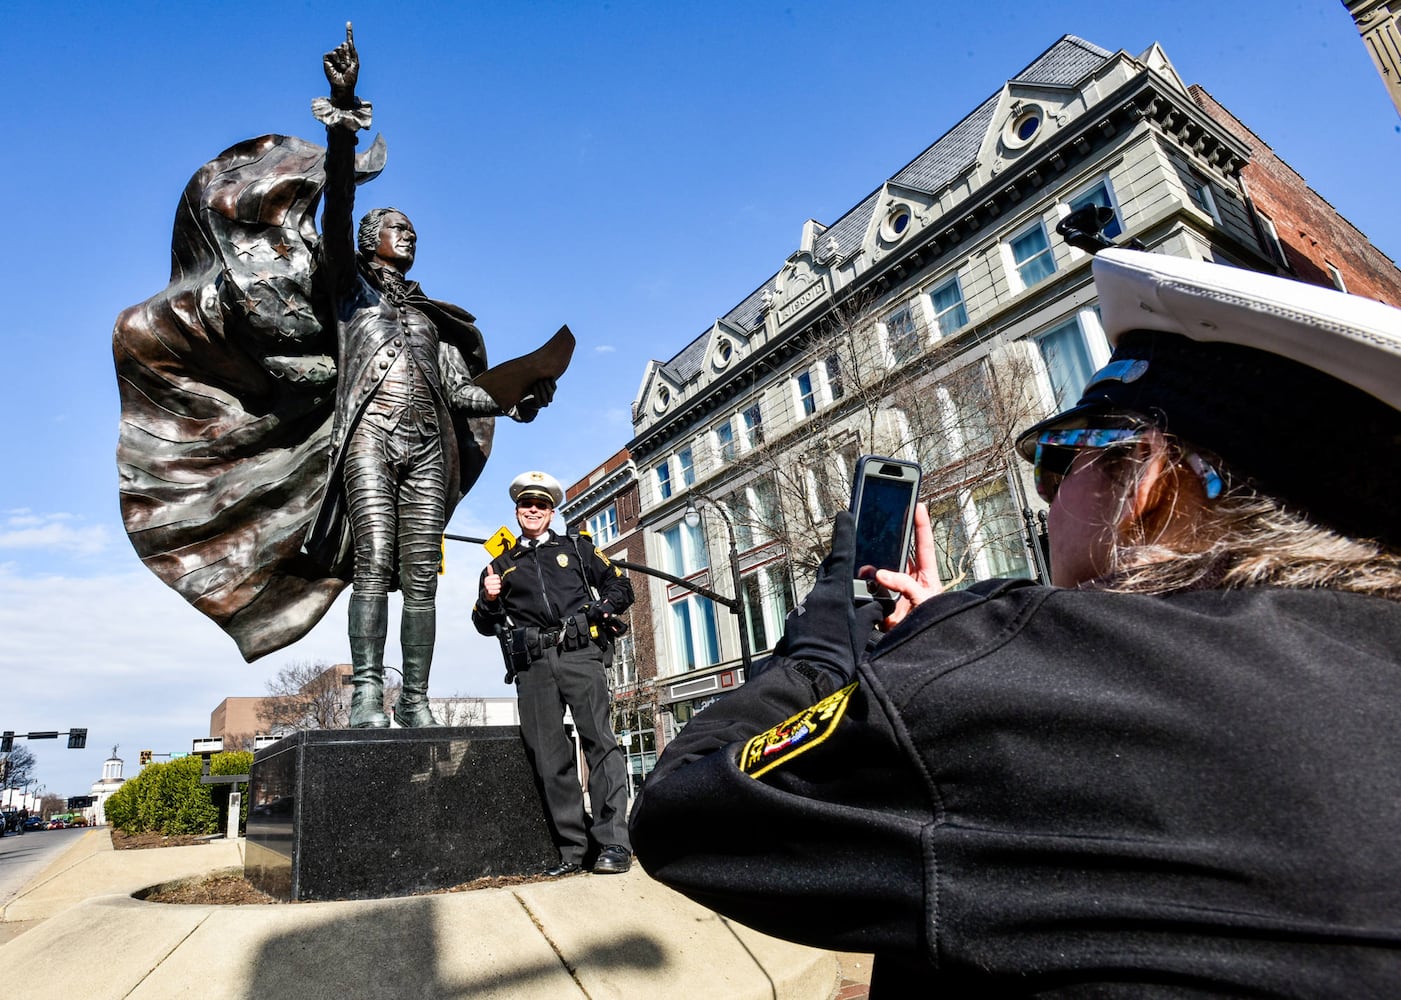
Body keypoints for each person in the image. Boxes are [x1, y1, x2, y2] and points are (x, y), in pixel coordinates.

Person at [629, 248, 1401, 995]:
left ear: (1147, 479)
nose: (1044, 494)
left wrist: (823, 650)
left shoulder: (1018, 662)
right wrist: (946, 647)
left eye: (1061, 455)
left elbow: (680, 813)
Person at [311, 26, 555, 728]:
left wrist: (517, 399)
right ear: (368, 241)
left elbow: (461, 393)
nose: (407, 233)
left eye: (413, 227)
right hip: (370, 437)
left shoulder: (430, 318)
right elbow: (335, 209)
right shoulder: (349, 291)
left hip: (427, 448)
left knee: (420, 576)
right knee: (374, 561)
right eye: (395, 225)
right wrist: (343, 114)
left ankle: (413, 700)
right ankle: (365, 694)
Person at [473, 471, 636, 876]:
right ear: (517, 511)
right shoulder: (500, 565)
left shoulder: (578, 549)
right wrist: (488, 599)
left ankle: (614, 842)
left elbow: (621, 587)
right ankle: (574, 850)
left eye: (541, 505)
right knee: (549, 758)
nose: (533, 510)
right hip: (534, 664)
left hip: (581, 653)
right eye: (527, 504)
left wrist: (599, 611)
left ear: (551, 511)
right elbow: (483, 622)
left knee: (599, 743)